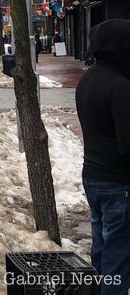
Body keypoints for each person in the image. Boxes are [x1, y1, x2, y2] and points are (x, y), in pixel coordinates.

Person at [75, 19, 130, 293]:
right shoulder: (121, 86)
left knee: (101, 249)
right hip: (119, 184)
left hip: (92, 177)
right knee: (118, 256)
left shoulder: (88, 78)